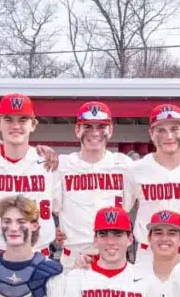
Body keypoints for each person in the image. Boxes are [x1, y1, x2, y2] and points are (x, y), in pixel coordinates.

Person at [0, 93, 60, 259]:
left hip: (38, 255)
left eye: (22, 119)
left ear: (33, 125)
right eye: (8, 119)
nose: (15, 126)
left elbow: (61, 207)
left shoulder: (48, 163)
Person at [123, 103, 180, 268]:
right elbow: (121, 210)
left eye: (175, 129)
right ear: (151, 134)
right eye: (161, 130)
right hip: (148, 256)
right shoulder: (136, 169)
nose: (169, 136)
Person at [56, 100, 132, 269]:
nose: (95, 132)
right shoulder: (61, 165)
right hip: (73, 258)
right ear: (77, 130)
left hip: (113, 257)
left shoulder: (125, 165)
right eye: (88, 126)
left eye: (101, 127)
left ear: (110, 130)